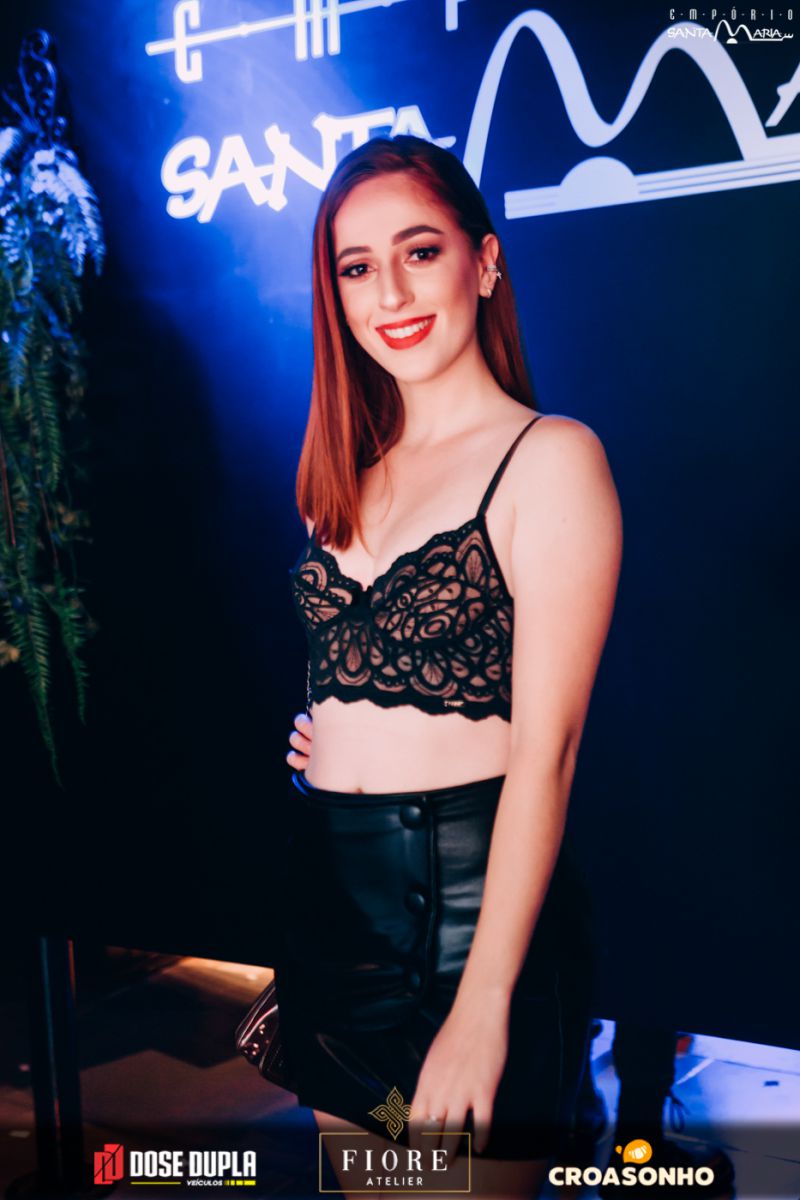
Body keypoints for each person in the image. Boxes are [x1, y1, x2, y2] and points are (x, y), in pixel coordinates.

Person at [274, 134, 622, 1199]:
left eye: (419, 251)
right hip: (336, 926)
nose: (390, 292)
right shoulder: (342, 476)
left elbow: (547, 755)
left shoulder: (551, 458)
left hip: (473, 937)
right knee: (370, 1183)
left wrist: (482, 1008)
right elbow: (372, 678)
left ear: (484, 261)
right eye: (357, 266)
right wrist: (331, 738)